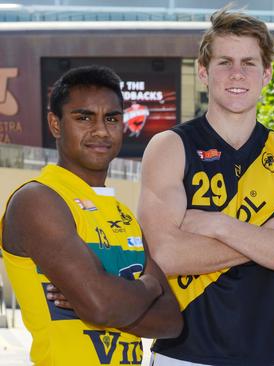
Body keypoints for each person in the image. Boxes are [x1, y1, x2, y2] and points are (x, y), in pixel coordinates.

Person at [138, 8, 274, 366]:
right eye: (225, 62)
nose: (237, 73)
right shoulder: (169, 147)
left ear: (267, 74)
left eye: (249, 63)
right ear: (203, 71)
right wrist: (267, 238)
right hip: (183, 354)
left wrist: (219, 225)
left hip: (268, 354)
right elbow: (165, 256)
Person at [0, 65, 182, 365]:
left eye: (111, 118)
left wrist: (108, 302)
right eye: (84, 117)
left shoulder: (122, 215)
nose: (100, 130)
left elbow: (172, 320)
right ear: (55, 124)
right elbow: (100, 307)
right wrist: (147, 288)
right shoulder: (38, 199)